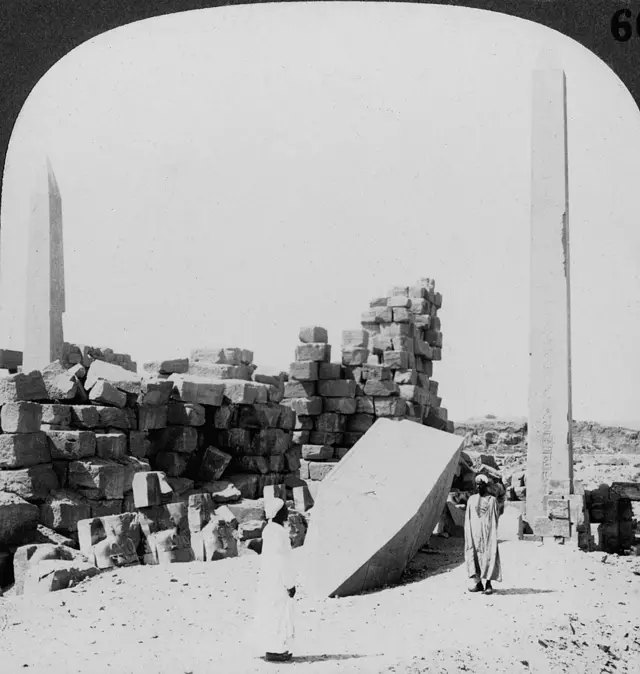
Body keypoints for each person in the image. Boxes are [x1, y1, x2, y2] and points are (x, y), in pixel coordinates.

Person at [253, 497, 296, 662]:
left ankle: (273, 649)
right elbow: (283, 559)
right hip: (278, 579)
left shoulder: (268, 529)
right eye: (284, 509)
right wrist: (289, 583)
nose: (286, 511)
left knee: (270, 613)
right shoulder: (279, 532)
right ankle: (275, 651)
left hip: (268, 578)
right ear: (278, 512)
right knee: (279, 614)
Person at [464, 474, 502, 595]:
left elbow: (495, 519)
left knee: (488, 555)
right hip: (474, 534)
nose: (479, 487)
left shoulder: (492, 500)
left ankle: (488, 583)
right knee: (474, 556)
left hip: (487, 533)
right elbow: (468, 518)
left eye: (481, 485)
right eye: (477, 485)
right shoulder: (471, 500)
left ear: (486, 486)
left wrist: (491, 533)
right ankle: (478, 583)